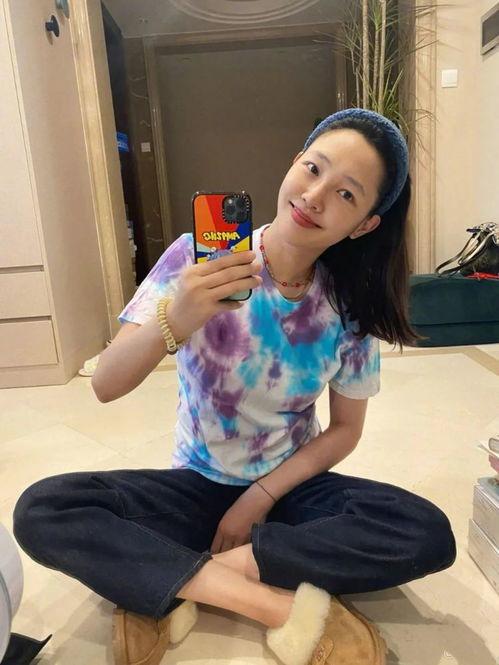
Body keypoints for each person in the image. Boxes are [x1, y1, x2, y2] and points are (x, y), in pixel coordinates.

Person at [13, 109, 456, 665]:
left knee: (424, 531)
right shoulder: (194, 258)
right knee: (44, 509)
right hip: (194, 485)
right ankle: (270, 603)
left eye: (346, 194)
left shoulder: (348, 304)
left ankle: (175, 578)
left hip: (288, 490)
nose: (314, 196)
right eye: (313, 168)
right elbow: (105, 384)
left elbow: (345, 431)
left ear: (364, 224)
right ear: (294, 163)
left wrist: (259, 497)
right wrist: (178, 315)